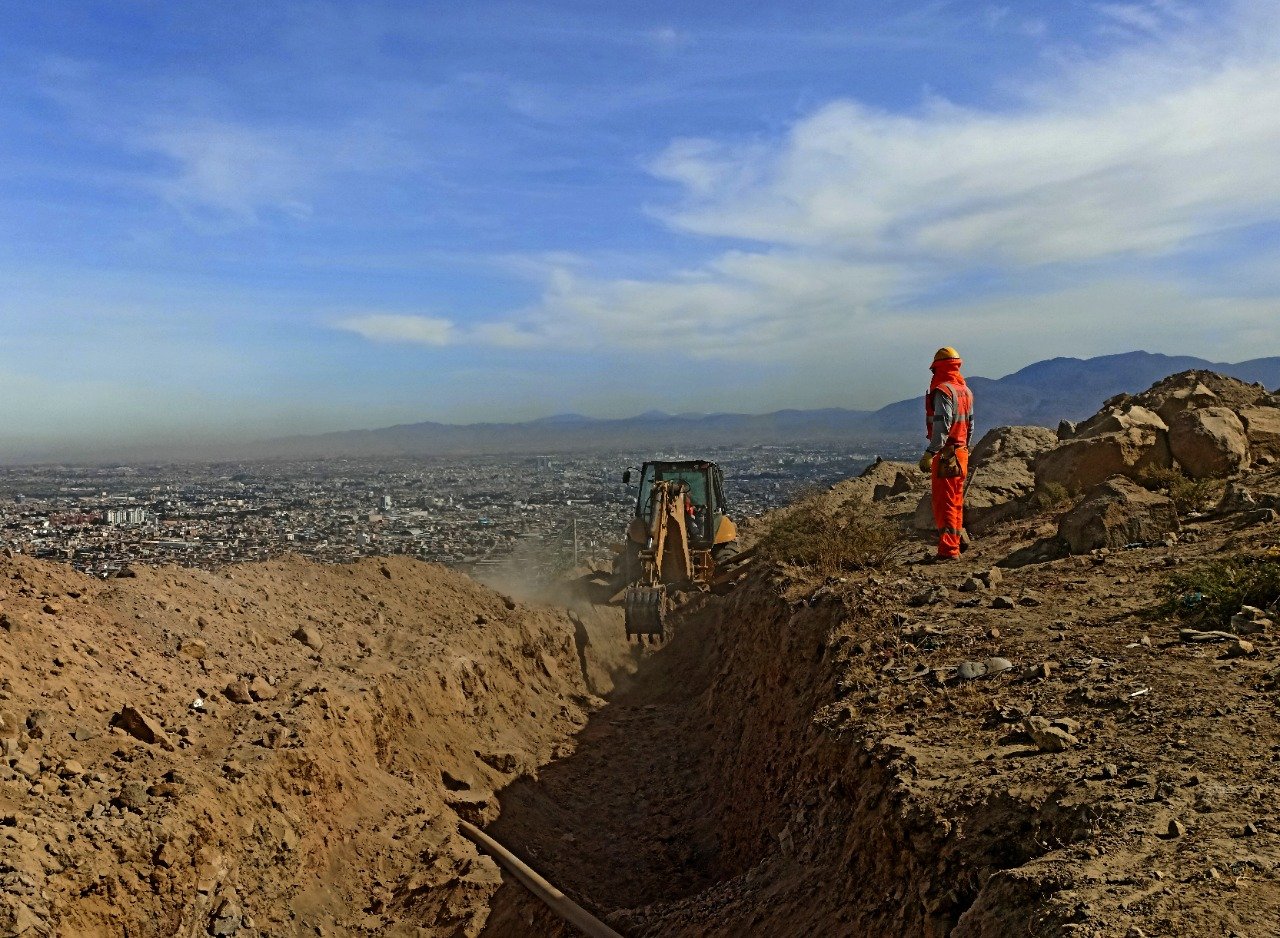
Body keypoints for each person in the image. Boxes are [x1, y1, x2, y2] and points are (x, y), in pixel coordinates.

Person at [917, 347, 974, 561]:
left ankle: (948, 550)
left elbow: (943, 424)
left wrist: (931, 452)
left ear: (938, 367)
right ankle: (955, 544)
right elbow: (970, 425)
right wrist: (964, 448)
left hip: (946, 453)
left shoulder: (943, 390)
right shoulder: (965, 391)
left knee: (946, 503)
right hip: (961, 452)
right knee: (956, 500)